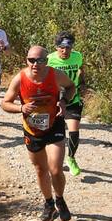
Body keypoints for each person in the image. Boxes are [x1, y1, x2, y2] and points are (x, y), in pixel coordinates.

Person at [1, 45, 77, 221]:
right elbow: (5, 103)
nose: (35, 64)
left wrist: (64, 101)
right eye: (31, 60)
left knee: (56, 169)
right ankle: (49, 203)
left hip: (54, 125)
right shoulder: (19, 78)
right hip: (32, 130)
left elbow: (71, 87)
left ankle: (60, 199)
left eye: (40, 60)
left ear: (46, 61)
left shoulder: (55, 74)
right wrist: (21, 107)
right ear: (26, 60)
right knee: (40, 169)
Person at [47, 32, 86, 177]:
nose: (65, 51)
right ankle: (51, 158)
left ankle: (71, 158)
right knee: (51, 132)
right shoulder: (49, 59)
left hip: (73, 98)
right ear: (56, 47)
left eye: (68, 48)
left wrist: (82, 82)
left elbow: (81, 68)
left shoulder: (77, 56)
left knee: (74, 131)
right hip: (55, 101)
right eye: (62, 48)